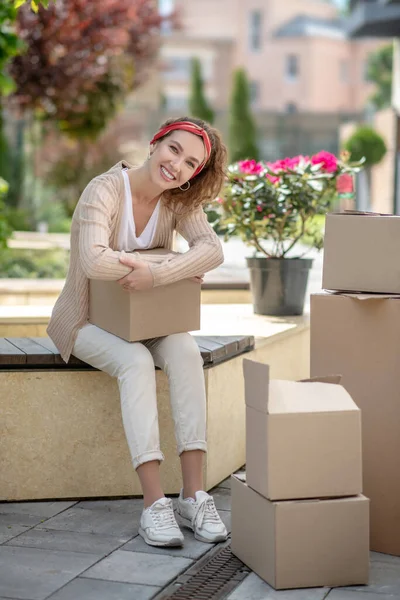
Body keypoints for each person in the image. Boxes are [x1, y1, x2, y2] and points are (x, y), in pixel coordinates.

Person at [47, 116, 228, 548]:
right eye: (174, 150)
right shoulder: (106, 189)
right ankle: (153, 504)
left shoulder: (179, 202)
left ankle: (192, 494)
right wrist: (169, 267)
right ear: (155, 143)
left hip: (144, 321)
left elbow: (213, 249)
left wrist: (157, 273)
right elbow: (93, 261)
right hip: (86, 320)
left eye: (190, 163)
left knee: (185, 348)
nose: (177, 166)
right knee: (135, 360)